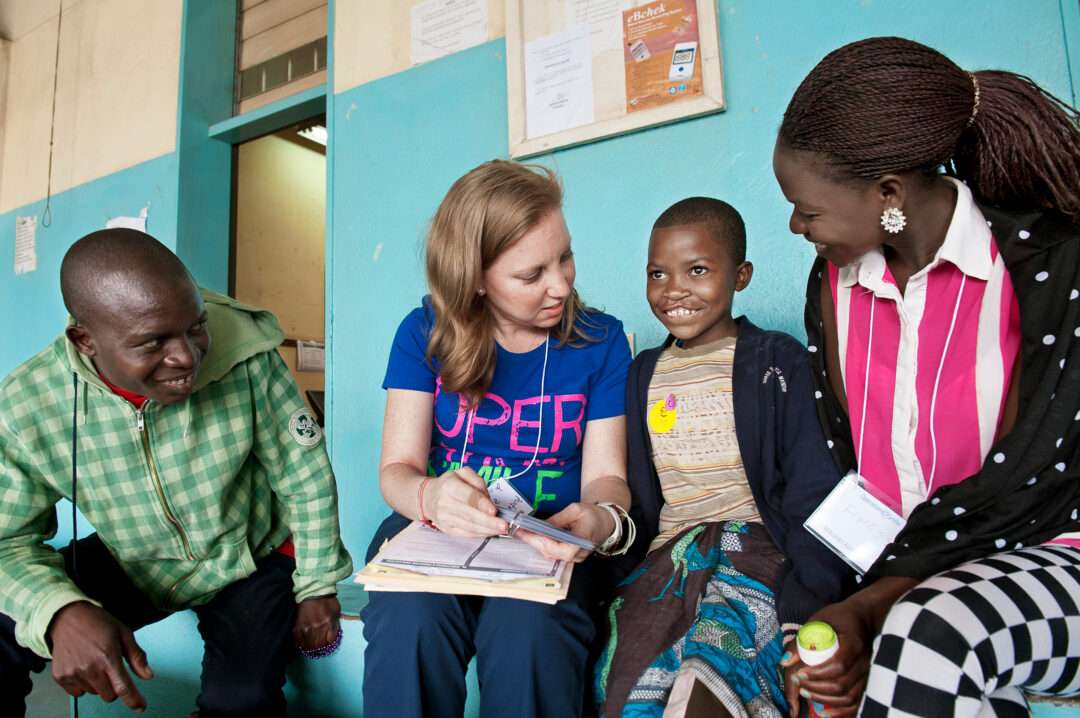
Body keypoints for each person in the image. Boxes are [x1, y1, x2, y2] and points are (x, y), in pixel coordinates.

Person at [772, 36, 1080, 716]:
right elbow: (845, 475)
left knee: (927, 634)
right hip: (899, 572)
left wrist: (876, 603)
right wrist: (824, 618)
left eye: (810, 209)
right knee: (827, 669)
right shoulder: (834, 286)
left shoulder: (1049, 266)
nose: (795, 225)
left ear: (887, 194)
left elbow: (1024, 490)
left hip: (1052, 555)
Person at [0, 228, 353, 716]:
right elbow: (6, 541)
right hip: (136, 559)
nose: (187, 356)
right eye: (151, 343)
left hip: (248, 555)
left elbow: (304, 472)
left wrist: (316, 584)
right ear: (85, 341)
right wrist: (59, 610)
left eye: (196, 327)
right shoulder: (26, 405)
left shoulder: (247, 353)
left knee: (242, 700)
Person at [360, 159, 634, 718]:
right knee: (410, 621)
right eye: (532, 275)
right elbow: (398, 468)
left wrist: (600, 518)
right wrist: (430, 497)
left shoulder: (600, 342)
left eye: (565, 257)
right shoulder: (423, 333)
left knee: (530, 633)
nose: (560, 284)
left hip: (547, 544)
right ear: (475, 280)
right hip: (435, 531)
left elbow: (608, 477)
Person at [592, 197, 854, 717]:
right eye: (657, 273)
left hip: (758, 549)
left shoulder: (776, 361)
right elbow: (637, 500)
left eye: (697, 270)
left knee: (719, 653)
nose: (674, 290)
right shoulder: (642, 371)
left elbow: (811, 486)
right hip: (668, 560)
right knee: (627, 673)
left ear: (741, 275)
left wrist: (809, 599)